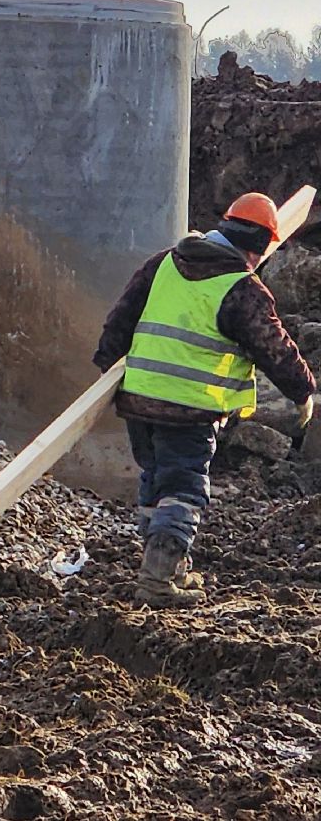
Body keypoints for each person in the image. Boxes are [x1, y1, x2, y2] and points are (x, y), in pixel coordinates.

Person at [93, 192, 316, 608]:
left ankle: (168, 569)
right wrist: (304, 392)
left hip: (139, 401)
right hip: (189, 410)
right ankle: (157, 582)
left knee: (156, 482)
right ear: (265, 244)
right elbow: (275, 348)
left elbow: (120, 318)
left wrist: (106, 367)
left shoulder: (163, 263)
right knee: (184, 490)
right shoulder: (241, 288)